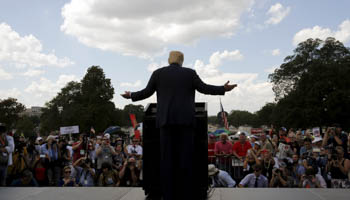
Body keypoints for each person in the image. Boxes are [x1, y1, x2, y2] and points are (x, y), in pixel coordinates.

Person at [121, 51, 237, 200]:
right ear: (181, 61)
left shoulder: (158, 73)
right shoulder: (190, 73)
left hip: (166, 122)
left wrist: (131, 95)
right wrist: (223, 88)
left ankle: (168, 195)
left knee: (167, 161)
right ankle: (185, 194)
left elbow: (146, 92)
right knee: (185, 160)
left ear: (169, 60)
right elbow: (204, 88)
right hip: (186, 123)